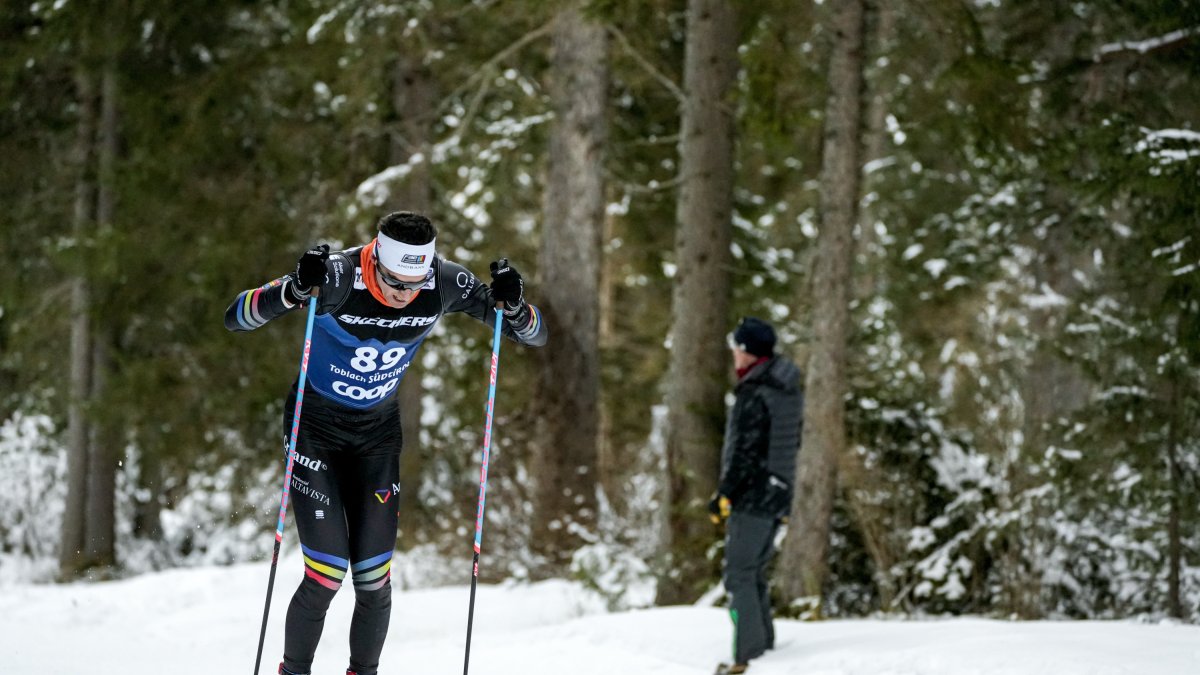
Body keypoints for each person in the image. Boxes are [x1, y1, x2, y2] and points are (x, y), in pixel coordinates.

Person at [224, 211, 547, 675]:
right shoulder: (338, 275)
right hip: (315, 430)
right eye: (395, 282)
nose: (403, 294)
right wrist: (292, 291)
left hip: (376, 435)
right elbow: (237, 317)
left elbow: (534, 335)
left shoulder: (443, 282)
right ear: (376, 261)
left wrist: (515, 306)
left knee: (375, 580)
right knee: (326, 573)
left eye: (414, 284)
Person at [708, 317, 803, 675]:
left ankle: (746, 659)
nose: (733, 353)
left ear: (748, 352)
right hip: (778, 491)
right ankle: (765, 654)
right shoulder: (785, 388)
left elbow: (744, 453)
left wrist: (724, 493)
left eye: (737, 347)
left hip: (754, 495)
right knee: (754, 571)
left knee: (739, 574)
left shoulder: (755, 392)